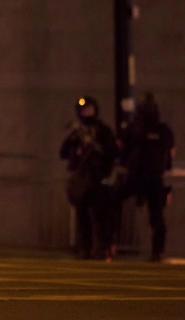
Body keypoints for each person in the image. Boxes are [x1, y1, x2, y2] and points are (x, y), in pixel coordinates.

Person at [60, 96, 118, 260]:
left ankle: (102, 248)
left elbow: (112, 152)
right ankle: (85, 248)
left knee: (101, 217)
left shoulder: (102, 131)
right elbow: (63, 152)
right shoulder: (77, 133)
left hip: (98, 179)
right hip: (81, 180)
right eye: (84, 110)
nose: (87, 112)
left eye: (90, 109)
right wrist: (74, 138)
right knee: (82, 216)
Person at [120, 92, 175, 262]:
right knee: (157, 217)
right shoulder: (163, 130)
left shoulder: (135, 129)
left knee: (112, 202)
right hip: (153, 178)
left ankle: (105, 245)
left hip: (137, 177)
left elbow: (123, 151)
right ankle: (158, 252)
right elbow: (170, 154)